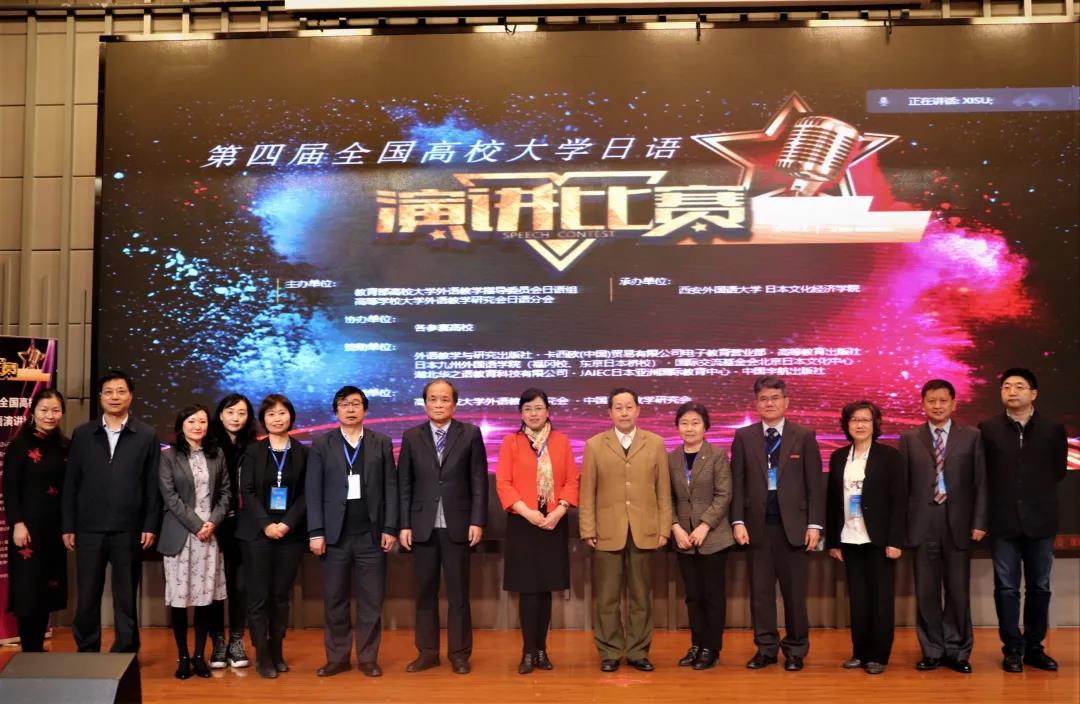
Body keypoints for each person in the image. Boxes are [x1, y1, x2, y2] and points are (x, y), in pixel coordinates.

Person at [62, 369, 162, 653]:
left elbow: (152, 485)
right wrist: (68, 525)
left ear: (131, 396)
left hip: (129, 528)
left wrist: (150, 524)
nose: (114, 397)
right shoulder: (83, 434)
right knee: (87, 595)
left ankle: (125, 651)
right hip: (88, 528)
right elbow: (71, 484)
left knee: (126, 596)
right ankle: (87, 649)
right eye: (108, 392)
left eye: (121, 391)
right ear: (100, 397)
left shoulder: (146, 435)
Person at [730, 376, 824, 672]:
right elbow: (737, 483)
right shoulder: (744, 437)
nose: (769, 403)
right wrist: (737, 520)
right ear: (756, 403)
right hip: (757, 527)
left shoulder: (803, 436)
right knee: (760, 594)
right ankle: (766, 649)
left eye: (774, 398)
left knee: (795, 594)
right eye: (763, 399)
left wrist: (815, 525)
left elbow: (815, 485)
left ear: (786, 402)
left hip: (794, 528)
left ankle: (795, 650)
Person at [979, 367, 1068, 673]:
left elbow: (1058, 471)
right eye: (1006, 386)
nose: (1012, 391)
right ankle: (1012, 650)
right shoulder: (988, 428)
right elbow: (984, 474)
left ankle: (1034, 648)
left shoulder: (1053, 428)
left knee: (1039, 587)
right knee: (1006, 588)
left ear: (1033, 393)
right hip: (1003, 521)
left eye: (1019, 386)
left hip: (1041, 521)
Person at [306, 386, 398, 678]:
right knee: (335, 600)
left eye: (356, 404)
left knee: (371, 601)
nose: (350, 409)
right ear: (336, 410)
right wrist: (316, 531)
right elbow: (313, 490)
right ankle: (338, 657)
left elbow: (391, 488)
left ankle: (368, 658)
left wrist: (390, 527)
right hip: (335, 537)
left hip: (371, 535)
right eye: (344, 404)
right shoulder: (321, 443)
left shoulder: (381, 442)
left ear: (365, 409)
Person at [399, 379, 488, 675]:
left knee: (458, 594)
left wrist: (477, 520)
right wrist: (404, 524)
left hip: (458, 525)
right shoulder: (412, 436)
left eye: (444, 399)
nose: (439, 404)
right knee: (425, 592)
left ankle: (459, 654)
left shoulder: (470, 434)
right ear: (425, 403)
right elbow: (404, 484)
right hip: (422, 526)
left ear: (454, 404)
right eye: (433, 399)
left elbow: (479, 481)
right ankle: (427, 652)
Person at [579, 387, 671, 673]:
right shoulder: (595, 445)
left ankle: (638, 651)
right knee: (607, 597)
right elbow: (587, 491)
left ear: (638, 410)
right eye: (618, 407)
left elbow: (663, 490)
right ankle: (609, 651)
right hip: (606, 530)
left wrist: (664, 527)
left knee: (641, 596)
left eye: (629, 407)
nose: (624, 412)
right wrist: (587, 528)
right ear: (609, 413)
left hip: (645, 529)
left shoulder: (655, 443)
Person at [901, 379, 987, 673]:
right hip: (923, 524)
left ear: (953, 403)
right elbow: (903, 488)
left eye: (943, 401)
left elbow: (981, 483)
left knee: (957, 591)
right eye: (931, 401)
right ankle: (932, 650)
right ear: (923, 404)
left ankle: (958, 651)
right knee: (926, 592)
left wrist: (979, 522)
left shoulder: (972, 436)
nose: (937, 406)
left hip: (959, 524)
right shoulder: (910, 438)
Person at [495, 388, 579, 674]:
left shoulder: (561, 441)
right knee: (528, 590)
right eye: (528, 409)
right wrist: (527, 512)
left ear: (548, 411)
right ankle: (528, 651)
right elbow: (503, 482)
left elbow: (572, 480)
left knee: (545, 590)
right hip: (523, 523)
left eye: (538, 408)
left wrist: (559, 511)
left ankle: (542, 650)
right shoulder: (511, 442)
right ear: (521, 413)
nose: (533, 413)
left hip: (553, 522)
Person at [825, 401, 905, 675]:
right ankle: (859, 653)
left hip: (879, 540)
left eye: (865, 420)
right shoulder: (838, 457)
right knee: (858, 599)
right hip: (849, 537)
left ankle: (878, 656)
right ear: (846, 424)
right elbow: (832, 502)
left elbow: (899, 502)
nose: (860, 425)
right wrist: (833, 541)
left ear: (875, 424)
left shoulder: (889, 456)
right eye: (854, 420)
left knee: (880, 600)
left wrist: (895, 540)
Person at [158, 404, 230, 679]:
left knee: (204, 600)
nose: (197, 426)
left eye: (202, 421)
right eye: (191, 421)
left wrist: (212, 523)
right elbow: (170, 497)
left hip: (209, 537)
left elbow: (225, 493)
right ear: (181, 425)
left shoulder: (216, 454)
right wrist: (198, 525)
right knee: (180, 601)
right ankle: (183, 657)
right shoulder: (168, 456)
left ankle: (200, 656)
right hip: (181, 535)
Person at [238, 394, 308, 678]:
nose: (277, 419)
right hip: (257, 533)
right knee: (258, 596)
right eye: (271, 414)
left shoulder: (303, 452)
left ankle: (277, 649)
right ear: (263, 420)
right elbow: (247, 491)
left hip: (290, 535)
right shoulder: (253, 451)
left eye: (282, 413)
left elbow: (306, 494)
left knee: (280, 596)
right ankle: (262, 655)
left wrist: (287, 524)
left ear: (291, 416)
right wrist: (266, 524)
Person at [667, 401, 733, 671]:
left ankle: (711, 648)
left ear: (705, 426)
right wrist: (675, 527)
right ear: (677, 427)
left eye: (695, 423)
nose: (690, 428)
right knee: (693, 596)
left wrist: (704, 525)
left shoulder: (717, 455)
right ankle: (696, 644)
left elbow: (724, 494)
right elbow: (667, 497)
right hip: (683, 539)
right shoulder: (671, 458)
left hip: (713, 538)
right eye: (684, 423)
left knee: (712, 596)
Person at [3, 389, 68, 651]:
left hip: (54, 528)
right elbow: (9, 488)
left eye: (55, 410)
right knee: (28, 589)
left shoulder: (64, 445)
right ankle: (29, 650)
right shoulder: (20, 445)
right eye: (44, 410)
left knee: (46, 589)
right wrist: (17, 523)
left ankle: (37, 649)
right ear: (33, 412)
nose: (50, 415)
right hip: (27, 529)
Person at [211, 393, 257, 668]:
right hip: (214, 525)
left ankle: (236, 640)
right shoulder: (209, 444)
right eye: (230, 412)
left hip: (245, 525)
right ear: (220, 415)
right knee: (215, 586)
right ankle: (218, 641)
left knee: (240, 587)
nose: (236, 418)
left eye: (242, 413)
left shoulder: (254, 446)